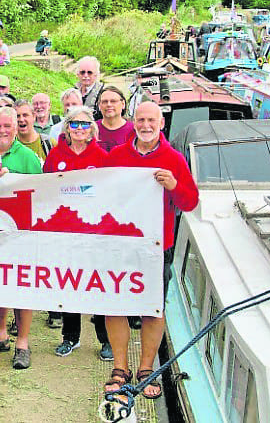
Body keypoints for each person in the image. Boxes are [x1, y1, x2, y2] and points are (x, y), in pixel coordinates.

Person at [104, 101, 199, 400]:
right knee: (115, 305)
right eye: (141, 120)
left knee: (152, 307)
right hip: (121, 243)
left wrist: (173, 185)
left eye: (152, 121)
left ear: (161, 124)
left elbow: (190, 202)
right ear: (133, 122)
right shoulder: (117, 156)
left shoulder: (174, 159)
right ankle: (120, 367)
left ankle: (146, 367)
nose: (146, 126)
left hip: (157, 247)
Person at [0, 107, 42, 370]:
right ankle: (0, 333)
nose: (2, 130)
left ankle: (22, 342)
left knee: (22, 286)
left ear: (16, 128)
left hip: (20, 232)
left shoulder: (28, 158)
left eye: (7, 126)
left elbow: (40, 194)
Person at [42, 105, 111, 360]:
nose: (79, 129)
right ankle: (71, 337)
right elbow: (45, 190)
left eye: (84, 124)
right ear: (67, 128)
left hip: (93, 231)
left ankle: (105, 339)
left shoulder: (102, 157)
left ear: (91, 129)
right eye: (74, 124)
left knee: (96, 285)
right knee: (69, 283)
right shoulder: (55, 156)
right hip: (64, 231)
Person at [97, 86, 133, 152]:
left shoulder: (134, 130)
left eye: (113, 101)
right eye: (105, 102)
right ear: (99, 106)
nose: (109, 105)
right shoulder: (92, 129)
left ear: (123, 104)